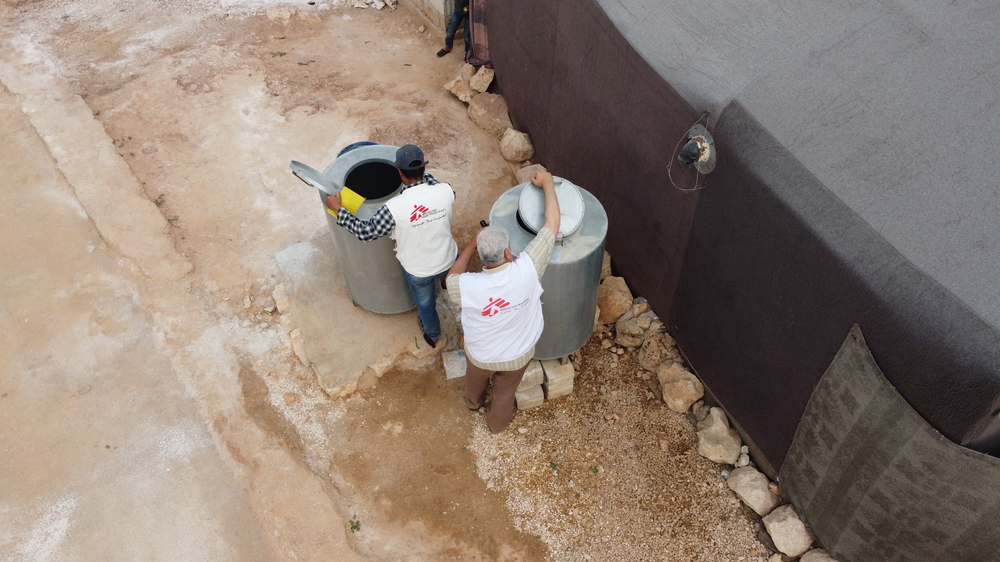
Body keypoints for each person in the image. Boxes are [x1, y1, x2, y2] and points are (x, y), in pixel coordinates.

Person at [446, 171, 560, 433]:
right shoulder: (528, 269)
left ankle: (473, 403)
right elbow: (552, 223)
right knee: (504, 395)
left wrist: (472, 246)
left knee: (474, 383)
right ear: (509, 252)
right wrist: (547, 183)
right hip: (517, 356)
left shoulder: (467, 286)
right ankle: (496, 427)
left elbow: (451, 276)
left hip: (481, 355)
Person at [326, 144, 457, 348]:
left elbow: (366, 232)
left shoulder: (394, 208)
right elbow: (440, 190)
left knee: (425, 305)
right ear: (424, 169)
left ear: (399, 173)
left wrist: (339, 210)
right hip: (449, 259)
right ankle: (446, 281)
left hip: (419, 270)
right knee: (449, 276)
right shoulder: (446, 191)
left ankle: (432, 335)